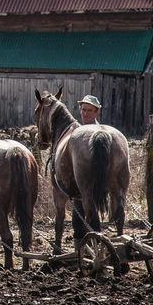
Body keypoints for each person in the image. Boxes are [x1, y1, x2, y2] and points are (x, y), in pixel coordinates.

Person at [68, 95, 103, 242]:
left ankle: (95, 243)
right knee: (77, 216)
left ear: (96, 113)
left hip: (93, 182)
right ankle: (79, 248)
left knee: (90, 213)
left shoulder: (100, 133)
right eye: (83, 110)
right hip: (79, 182)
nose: (85, 113)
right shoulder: (75, 131)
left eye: (89, 110)